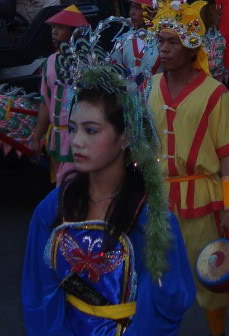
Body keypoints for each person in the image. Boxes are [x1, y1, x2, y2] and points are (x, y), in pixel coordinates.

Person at [21, 45, 195, 334]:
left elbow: (165, 303)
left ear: (125, 137)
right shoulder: (54, 206)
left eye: (91, 130)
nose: (76, 142)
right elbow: (38, 292)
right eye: (73, 128)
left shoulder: (149, 216)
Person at [145, 0, 229, 336]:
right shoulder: (149, 88)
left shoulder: (215, 94)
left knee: (210, 277)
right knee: (155, 277)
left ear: (192, 46)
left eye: (173, 42)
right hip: (158, 201)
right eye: (161, 41)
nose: (165, 49)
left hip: (202, 202)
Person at [30, 6, 89, 182]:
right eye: (53, 28)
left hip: (80, 136)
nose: (54, 32)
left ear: (74, 33)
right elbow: (45, 102)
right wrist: (37, 135)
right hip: (56, 136)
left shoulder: (88, 62)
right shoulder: (49, 62)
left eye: (60, 28)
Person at [109, 0, 159, 85]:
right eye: (131, 7)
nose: (132, 13)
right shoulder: (123, 40)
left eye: (138, 8)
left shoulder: (161, 40)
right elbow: (114, 71)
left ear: (151, 13)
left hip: (156, 94)